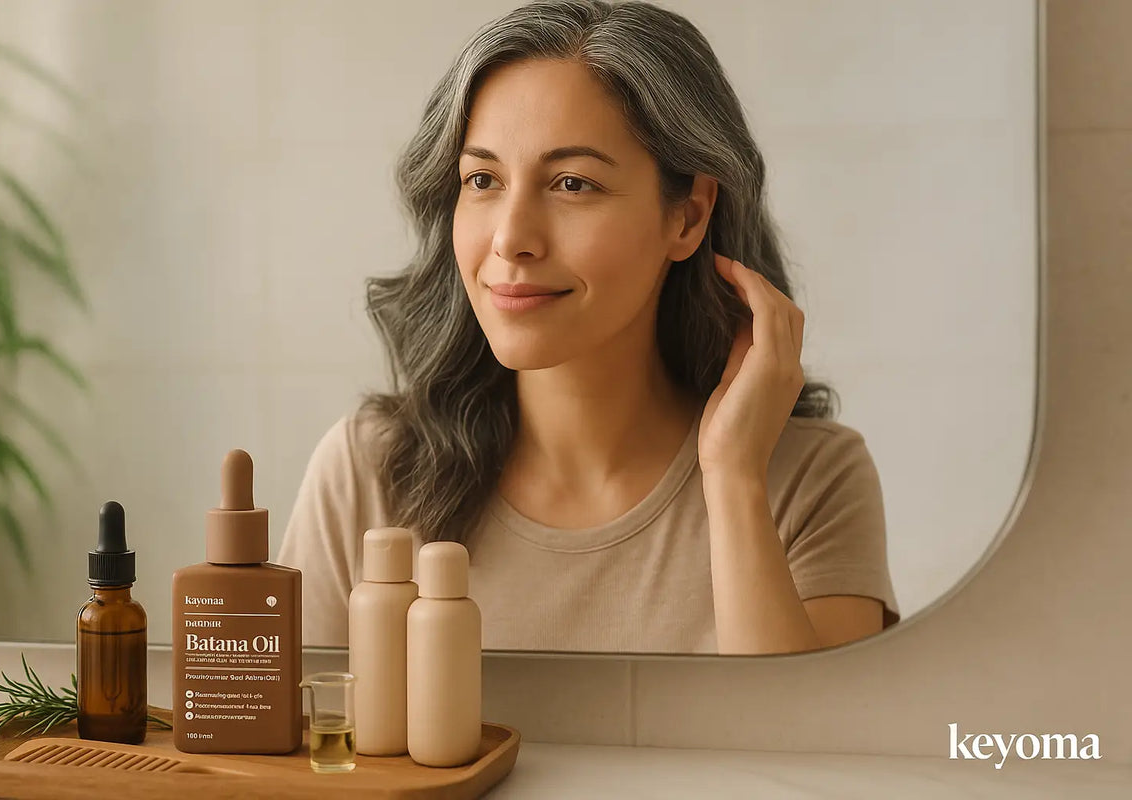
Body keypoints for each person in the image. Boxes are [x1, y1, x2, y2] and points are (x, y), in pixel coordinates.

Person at [278, 0, 899, 655]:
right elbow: (292, 750)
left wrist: (734, 479)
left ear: (687, 217)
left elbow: (803, 747)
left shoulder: (813, 480)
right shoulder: (369, 472)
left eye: (572, 183)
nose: (511, 238)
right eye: (482, 179)